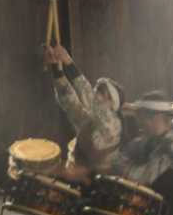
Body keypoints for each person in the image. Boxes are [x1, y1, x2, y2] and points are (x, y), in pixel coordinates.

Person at [43, 45, 122, 176]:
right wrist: (56, 67)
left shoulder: (114, 124)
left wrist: (68, 62)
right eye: (97, 90)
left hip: (105, 183)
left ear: (113, 104)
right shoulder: (88, 122)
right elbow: (69, 100)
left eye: (103, 93)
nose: (97, 95)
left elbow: (90, 100)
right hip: (83, 179)